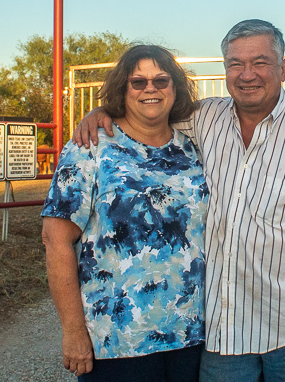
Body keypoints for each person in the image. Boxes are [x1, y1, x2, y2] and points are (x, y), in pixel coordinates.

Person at [74, 20, 285, 382]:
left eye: (260, 62)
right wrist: (103, 113)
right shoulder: (204, 118)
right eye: (236, 64)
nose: (247, 75)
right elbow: (150, 113)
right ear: (226, 69)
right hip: (225, 328)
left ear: (282, 68)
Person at [42, 45, 208, 382]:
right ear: (123, 88)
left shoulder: (193, 149)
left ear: (175, 88)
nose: (150, 88)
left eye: (161, 80)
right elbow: (55, 240)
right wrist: (73, 331)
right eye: (138, 82)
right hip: (116, 340)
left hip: (192, 336)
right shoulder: (90, 146)